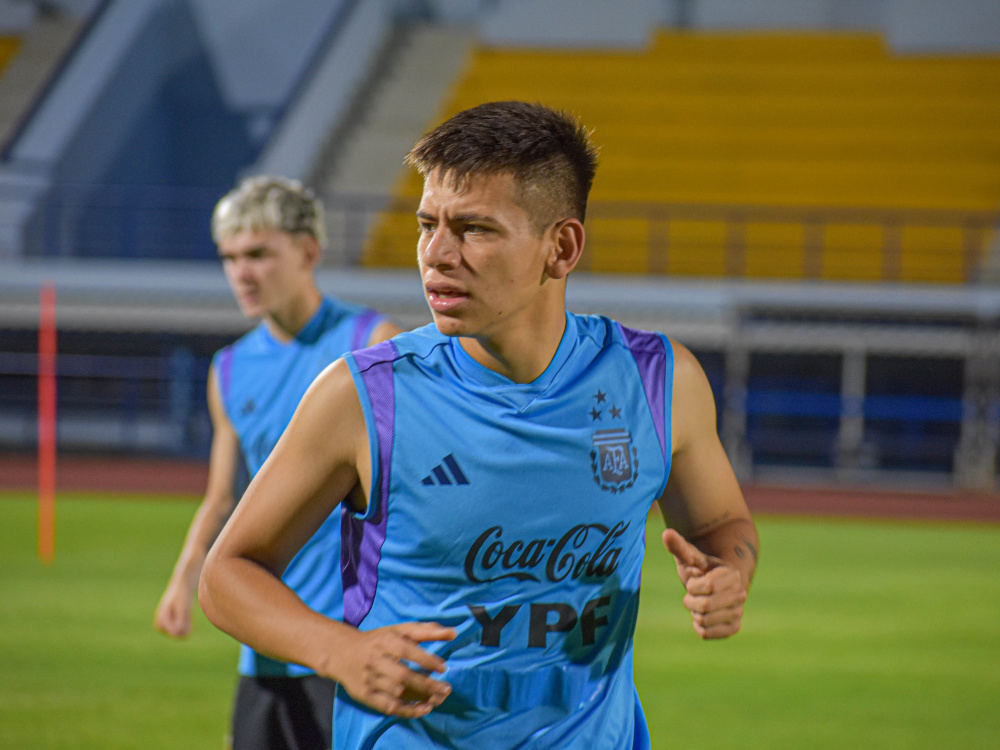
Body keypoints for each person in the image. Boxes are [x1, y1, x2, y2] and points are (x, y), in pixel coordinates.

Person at [198, 102, 759, 748]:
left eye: (473, 229)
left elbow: (722, 526)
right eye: (427, 225)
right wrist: (338, 650)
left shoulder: (659, 382)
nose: (436, 254)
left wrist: (728, 573)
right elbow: (227, 573)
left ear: (561, 248)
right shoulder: (363, 396)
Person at [154, 175, 401, 750]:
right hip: (265, 646)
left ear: (308, 252)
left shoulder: (372, 342)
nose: (241, 272)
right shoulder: (229, 369)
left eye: (259, 254)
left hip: (352, 640)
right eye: (230, 257)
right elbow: (224, 498)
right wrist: (183, 579)